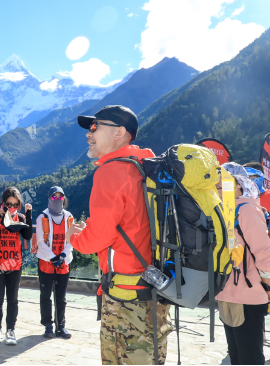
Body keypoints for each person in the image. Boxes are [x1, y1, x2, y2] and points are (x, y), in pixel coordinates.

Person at [66, 106, 171, 365]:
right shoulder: (144, 166)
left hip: (126, 295)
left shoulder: (111, 172)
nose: (88, 134)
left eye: (95, 126)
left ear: (119, 133)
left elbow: (97, 239)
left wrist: (74, 237)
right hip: (155, 287)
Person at [216, 163, 270, 365]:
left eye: (222, 182)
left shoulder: (246, 210)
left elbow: (263, 252)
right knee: (236, 355)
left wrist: (268, 285)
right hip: (226, 293)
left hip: (248, 294)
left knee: (250, 357)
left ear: (238, 184)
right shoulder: (221, 209)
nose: (217, 186)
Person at [0, 187, 32, 345]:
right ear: (3, 203)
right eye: (8, 204)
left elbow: (27, 235)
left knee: (13, 300)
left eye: (15, 205)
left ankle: (10, 330)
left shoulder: (19, 217)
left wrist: (29, 215)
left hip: (14, 264)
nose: (12, 208)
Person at [34, 187, 73, 339]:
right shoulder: (42, 217)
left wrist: (62, 255)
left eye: (60, 197)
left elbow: (72, 239)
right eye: (54, 197)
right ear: (49, 198)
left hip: (63, 261)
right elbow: (40, 241)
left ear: (64, 198)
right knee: (45, 295)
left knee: (61, 297)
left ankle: (61, 326)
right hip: (46, 262)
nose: (57, 200)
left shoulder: (69, 217)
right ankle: (48, 325)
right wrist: (53, 257)